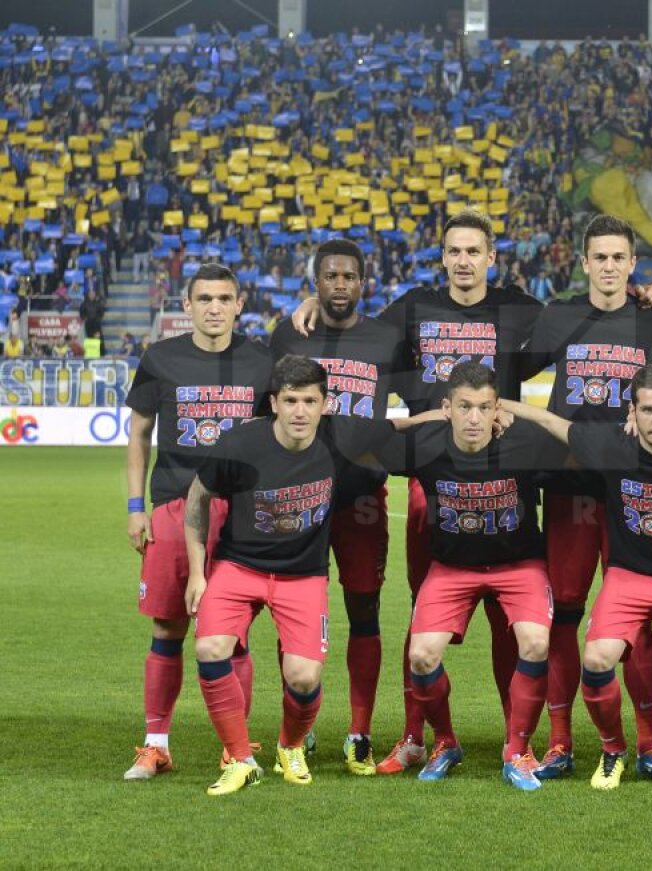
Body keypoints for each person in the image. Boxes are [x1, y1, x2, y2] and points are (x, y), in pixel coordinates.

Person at [292, 210, 542, 773]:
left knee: (509, 617)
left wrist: (645, 296)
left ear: (491, 257)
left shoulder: (520, 308)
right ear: (443, 257)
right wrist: (313, 303)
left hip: (501, 470)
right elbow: (352, 325)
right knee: (424, 608)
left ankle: (517, 737)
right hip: (432, 472)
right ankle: (414, 736)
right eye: (454, 251)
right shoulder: (412, 308)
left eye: (473, 251)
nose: (463, 261)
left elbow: (589, 323)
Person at [505, 364, 652, 792]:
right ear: (632, 412)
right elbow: (553, 424)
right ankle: (613, 750)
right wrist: (496, 405)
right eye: (648, 410)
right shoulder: (613, 444)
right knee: (597, 660)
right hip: (629, 576)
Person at [184, 355, 403, 796]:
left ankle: (291, 745)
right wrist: (197, 574)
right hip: (239, 566)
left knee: (304, 678)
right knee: (209, 648)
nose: (299, 411)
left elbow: (404, 425)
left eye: (309, 401)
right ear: (274, 403)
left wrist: (478, 414)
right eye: (290, 401)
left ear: (326, 404)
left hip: (302, 575)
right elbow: (197, 497)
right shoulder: (240, 443)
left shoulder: (341, 439)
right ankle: (241, 759)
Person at [519, 214, 652, 781]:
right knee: (564, 610)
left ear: (632, 263)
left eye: (619, 258)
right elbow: (513, 368)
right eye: (601, 257)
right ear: (585, 262)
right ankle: (560, 741)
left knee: (634, 615)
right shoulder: (560, 315)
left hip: (634, 490)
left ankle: (649, 744)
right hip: (570, 487)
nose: (610, 267)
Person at [122, 263, 274, 781]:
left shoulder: (261, 361)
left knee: (235, 634)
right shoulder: (160, 359)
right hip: (172, 505)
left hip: (240, 512)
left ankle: (236, 747)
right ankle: (156, 745)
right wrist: (135, 507)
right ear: (186, 305)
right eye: (204, 298)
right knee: (168, 626)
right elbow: (139, 434)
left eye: (224, 298)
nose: (214, 307)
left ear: (239, 305)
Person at [383, 362, 565, 791]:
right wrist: (428, 418)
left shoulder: (524, 441)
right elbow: (362, 438)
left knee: (536, 642)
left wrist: (522, 413)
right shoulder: (425, 443)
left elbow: (583, 442)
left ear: (498, 409)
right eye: (464, 407)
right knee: (421, 656)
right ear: (447, 408)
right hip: (452, 568)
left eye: (485, 407)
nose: (474, 418)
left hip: (519, 565)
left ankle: (517, 750)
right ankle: (445, 742)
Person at [270, 238, 407, 775]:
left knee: (364, 611)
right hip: (299, 498)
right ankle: (298, 730)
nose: (341, 285)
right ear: (317, 281)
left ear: (363, 282)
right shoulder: (289, 334)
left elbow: (421, 399)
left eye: (349, 276)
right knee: (293, 617)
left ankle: (359, 732)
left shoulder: (386, 338)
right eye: (331, 276)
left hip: (361, 499)